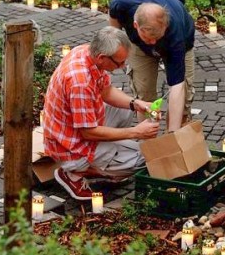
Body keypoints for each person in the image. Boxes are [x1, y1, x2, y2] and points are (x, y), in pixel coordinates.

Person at [43, 26, 159, 201]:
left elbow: (106, 91)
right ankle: (75, 172)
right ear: (102, 57)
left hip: (74, 129)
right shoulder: (80, 82)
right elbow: (88, 132)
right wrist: (136, 132)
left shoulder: (85, 51)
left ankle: (105, 160)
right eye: (119, 63)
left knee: (126, 108)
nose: (122, 67)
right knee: (142, 160)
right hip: (71, 147)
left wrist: (136, 104)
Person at [108, 0, 196, 132]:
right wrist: (118, 50)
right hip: (137, 47)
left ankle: (175, 140)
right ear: (135, 25)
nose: (153, 44)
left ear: (165, 26)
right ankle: (147, 141)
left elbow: (177, 86)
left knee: (184, 96)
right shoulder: (121, 3)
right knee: (143, 93)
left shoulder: (175, 34)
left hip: (180, 41)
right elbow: (114, 29)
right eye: (148, 39)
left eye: (157, 38)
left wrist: (172, 135)